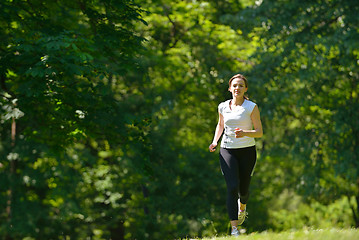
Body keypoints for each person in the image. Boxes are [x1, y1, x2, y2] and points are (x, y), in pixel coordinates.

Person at [209, 74, 263, 236]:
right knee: (232, 187)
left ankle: (243, 206)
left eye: (240, 85)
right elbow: (220, 125)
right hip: (227, 150)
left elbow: (259, 132)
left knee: (244, 188)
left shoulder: (251, 107)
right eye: (234, 85)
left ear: (245, 88)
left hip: (247, 151)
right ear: (230, 89)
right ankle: (234, 229)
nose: (237, 88)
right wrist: (214, 141)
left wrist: (245, 133)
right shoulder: (222, 107)